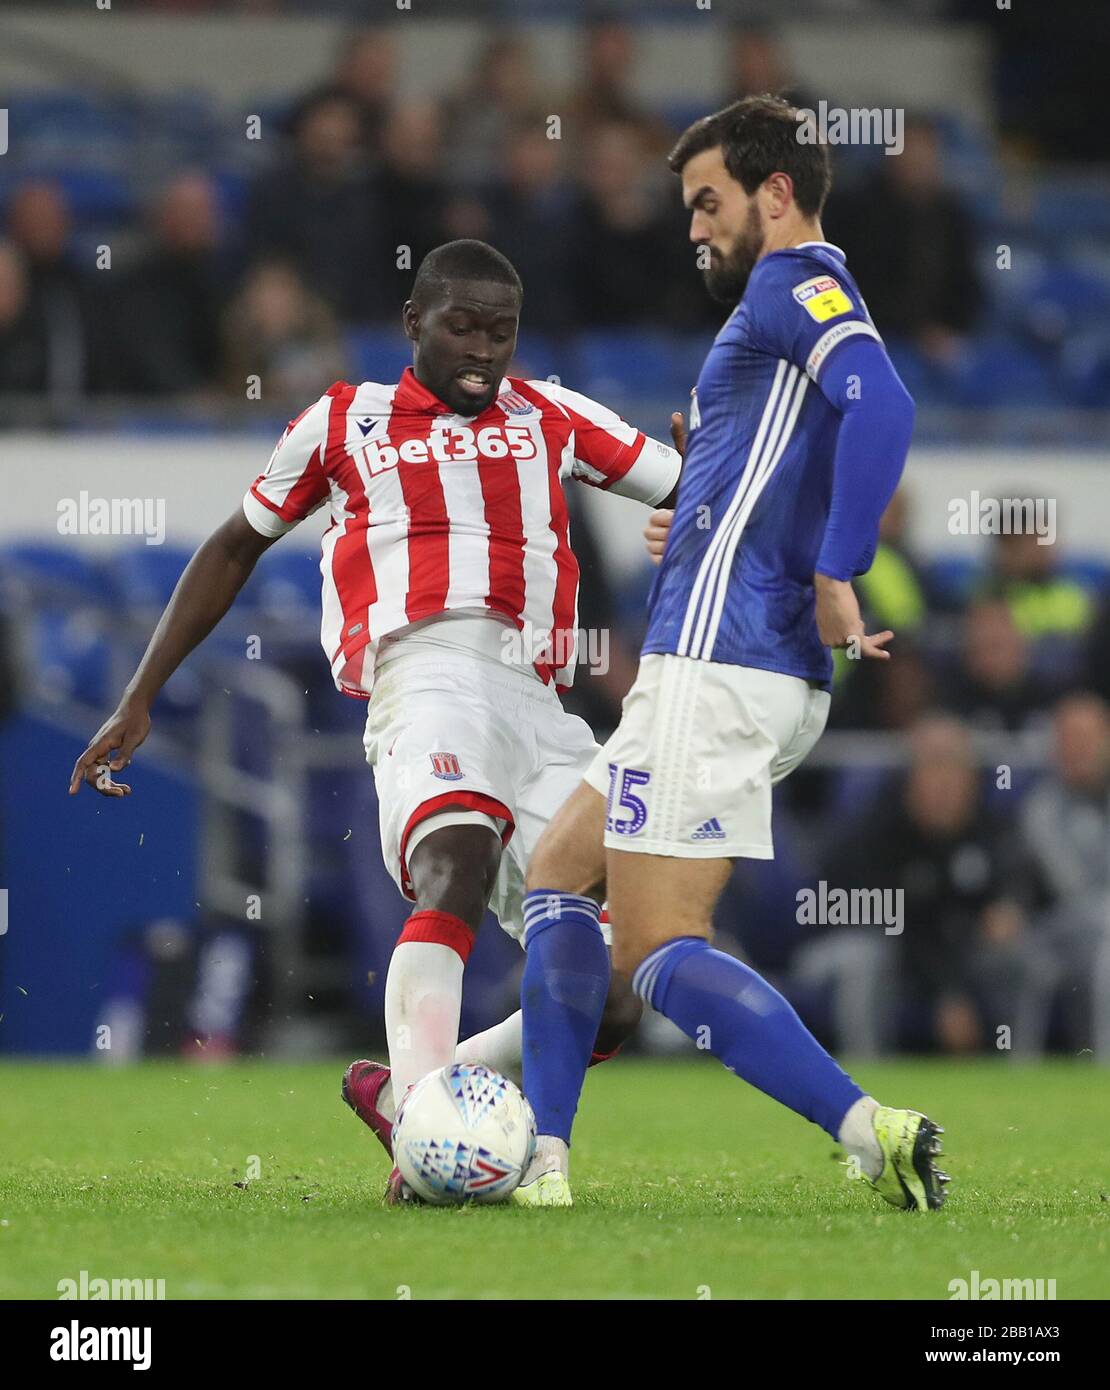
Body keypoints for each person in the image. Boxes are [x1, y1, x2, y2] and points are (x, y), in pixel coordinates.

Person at [68, 239, 681, 1203]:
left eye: (502, 332)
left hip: (542, 703)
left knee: (626, 972)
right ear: (413, 323)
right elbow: (233, 547)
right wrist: (140, 693)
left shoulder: (554, 416)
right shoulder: (345, 420)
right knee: (459, 855)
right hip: (425, 671)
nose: (484, 350)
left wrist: (722, 478)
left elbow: (686, 487)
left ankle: (408, 1098)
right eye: (463, 326)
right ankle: (433, 1133)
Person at [513, 97, 946, 1213]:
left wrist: (837, 563)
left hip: (723, 661)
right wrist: (693, 523)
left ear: (777, 192)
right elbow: (778, 462)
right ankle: (543, 1161)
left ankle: (869, 1128)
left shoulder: (791, 278)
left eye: (708, 201)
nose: (693, 227)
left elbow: (883, 405)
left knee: (658, 942)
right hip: (722, 655)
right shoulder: (787, 303)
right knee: (560, 870)